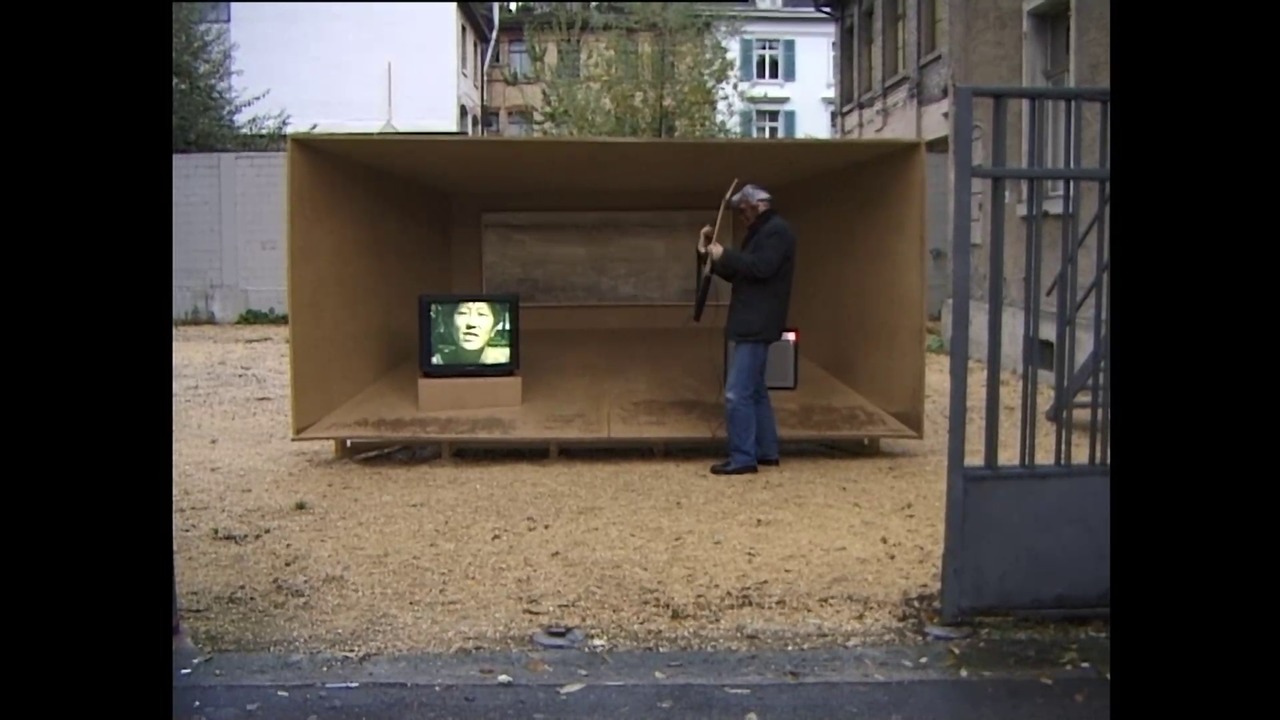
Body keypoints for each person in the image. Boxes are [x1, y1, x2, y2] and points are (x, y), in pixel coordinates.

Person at [697, 184, 796, 476]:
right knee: (755, 390)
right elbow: (742, 271)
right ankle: (766, 452)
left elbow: (761, 268)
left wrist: (725, 254)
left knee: (737, 393)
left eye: (744, 210)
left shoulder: (776, 231)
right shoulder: (762, 232)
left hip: (757, 322)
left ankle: (742, 458)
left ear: (759, 205)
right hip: (755, 321)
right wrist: (709, 255)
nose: (742, 216)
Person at [431, 301, 511, 365]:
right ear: (450, 324)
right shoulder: (436, 362)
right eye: (463, 313)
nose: (471, 323)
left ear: (494, 329)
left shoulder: (507, 359)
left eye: (482, 314)